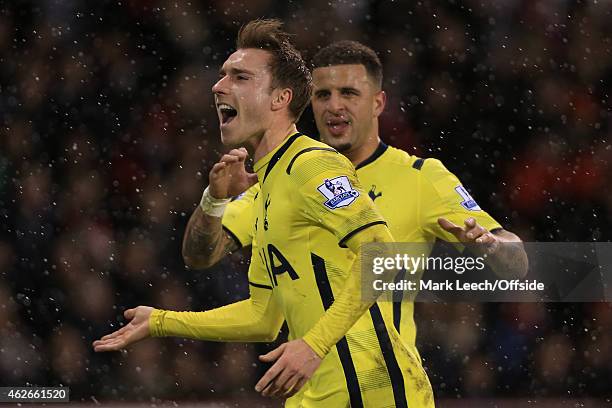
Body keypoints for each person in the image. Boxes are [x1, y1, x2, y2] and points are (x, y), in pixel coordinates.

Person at [94, 21, 435, 407]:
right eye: (222, 75)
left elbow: (382, 254)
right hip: (312, 396)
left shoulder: (312, 164)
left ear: (279, 99)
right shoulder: (267, 186)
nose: (218, 86)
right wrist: (161, 321)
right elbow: (264, 315)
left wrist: (312, 345)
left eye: (239, 77)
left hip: (372, 390)